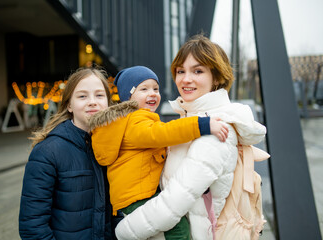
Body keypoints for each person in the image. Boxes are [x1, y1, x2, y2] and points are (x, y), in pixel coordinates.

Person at [114, 34, 267, 240]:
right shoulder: (195, 120)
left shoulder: (215, 130)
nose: (186, 79)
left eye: (198, 71)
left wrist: (121, 231)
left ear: (217, 77)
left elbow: (172, 203)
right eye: (180, 71)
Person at [88, 65, 229, 240]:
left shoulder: (129, 121)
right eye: (144, 89)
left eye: (155, 88)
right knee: (179, 229)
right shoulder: (134, 122)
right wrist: (202, 124)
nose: (153, 93)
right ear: (129, 97)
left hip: (133, 195)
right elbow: (164, 133)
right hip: (138, 196)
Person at [19, 67, 120, 240]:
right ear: (69, 105)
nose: (92, 102)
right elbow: (32, 227)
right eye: (82, 96)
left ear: (108, 103)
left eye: (99, 95)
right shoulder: (47, 152)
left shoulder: (117, 146)